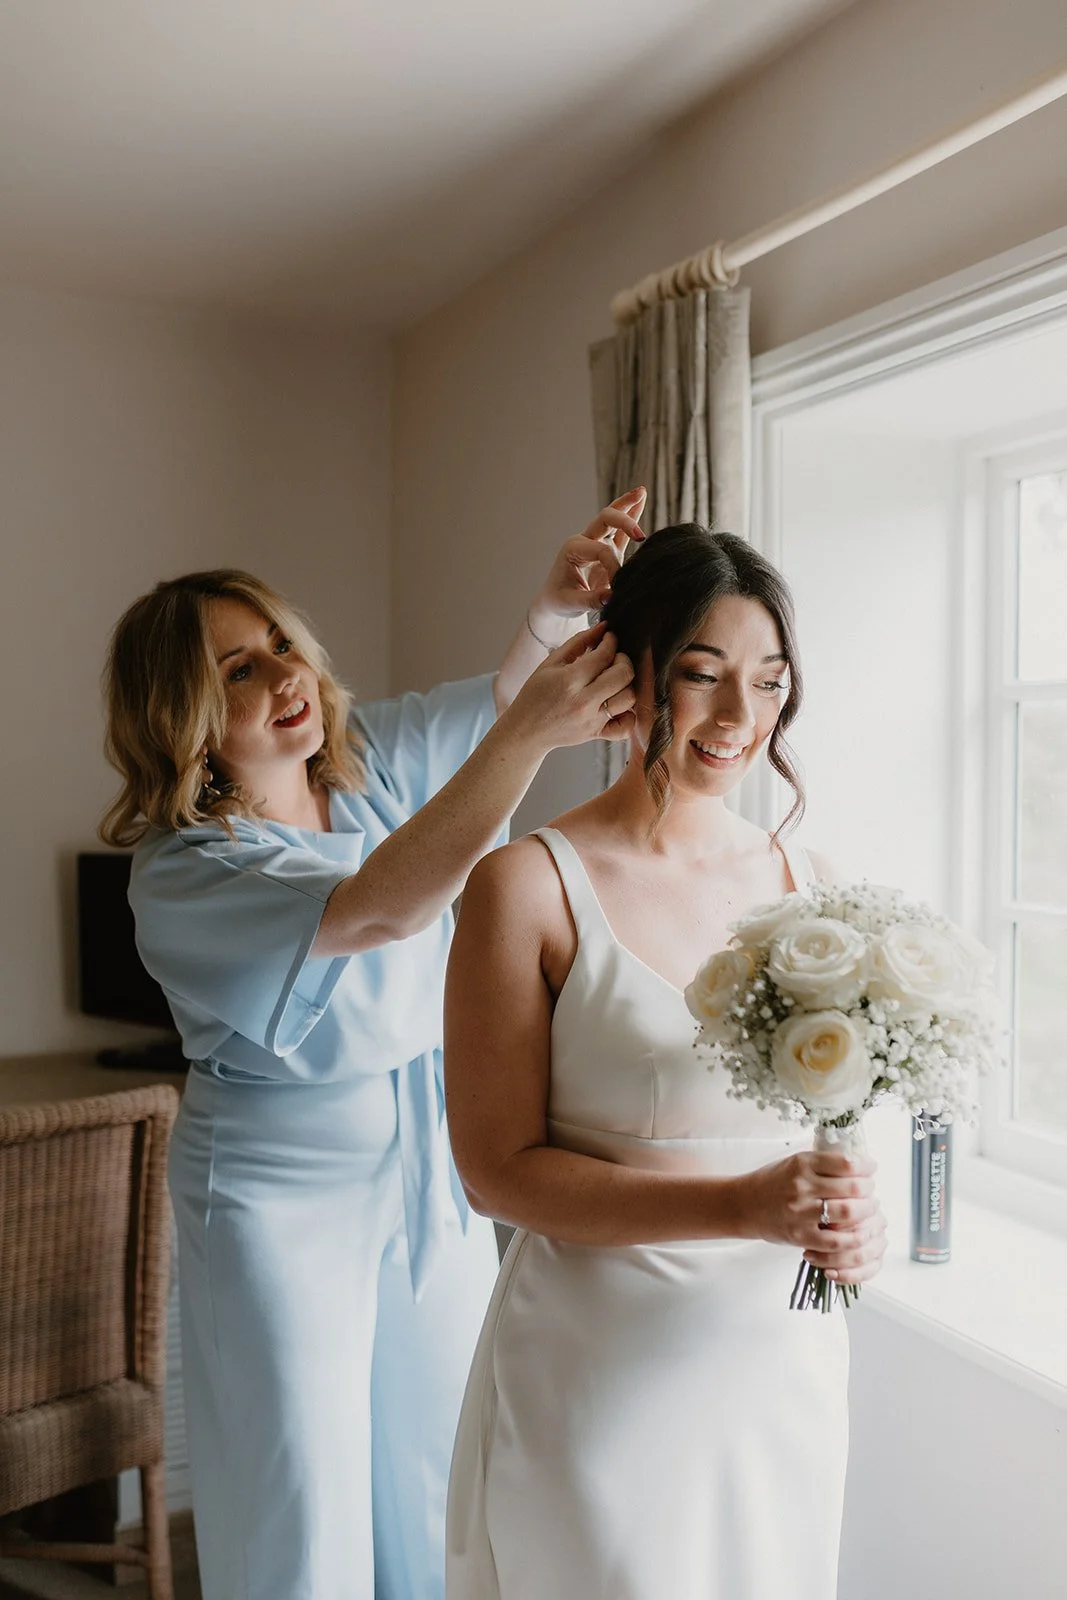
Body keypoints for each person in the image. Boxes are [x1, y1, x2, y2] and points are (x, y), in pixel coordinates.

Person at [98, 489, 645, 1600]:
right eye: (237, 670)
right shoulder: (181, 870)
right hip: (271, 1192)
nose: (283, 675)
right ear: (182, 712)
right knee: (302, 1493)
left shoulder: (360, 766)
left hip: (416, 1163)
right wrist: (530, 732)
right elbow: (387, 904)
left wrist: (549, 612)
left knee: (434, 1460)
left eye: (279, 645)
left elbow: (491, 707)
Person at [444, 523, 888, 1600]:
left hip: (776, 1367)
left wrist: (855, 1221)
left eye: (768, 682)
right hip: (598, 1374)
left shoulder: (810, 881)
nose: (740, 719)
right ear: (623, 671)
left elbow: (833, 1127)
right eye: (701, 675)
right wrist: (744, 1204)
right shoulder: (525, 888)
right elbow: (495, 1169)